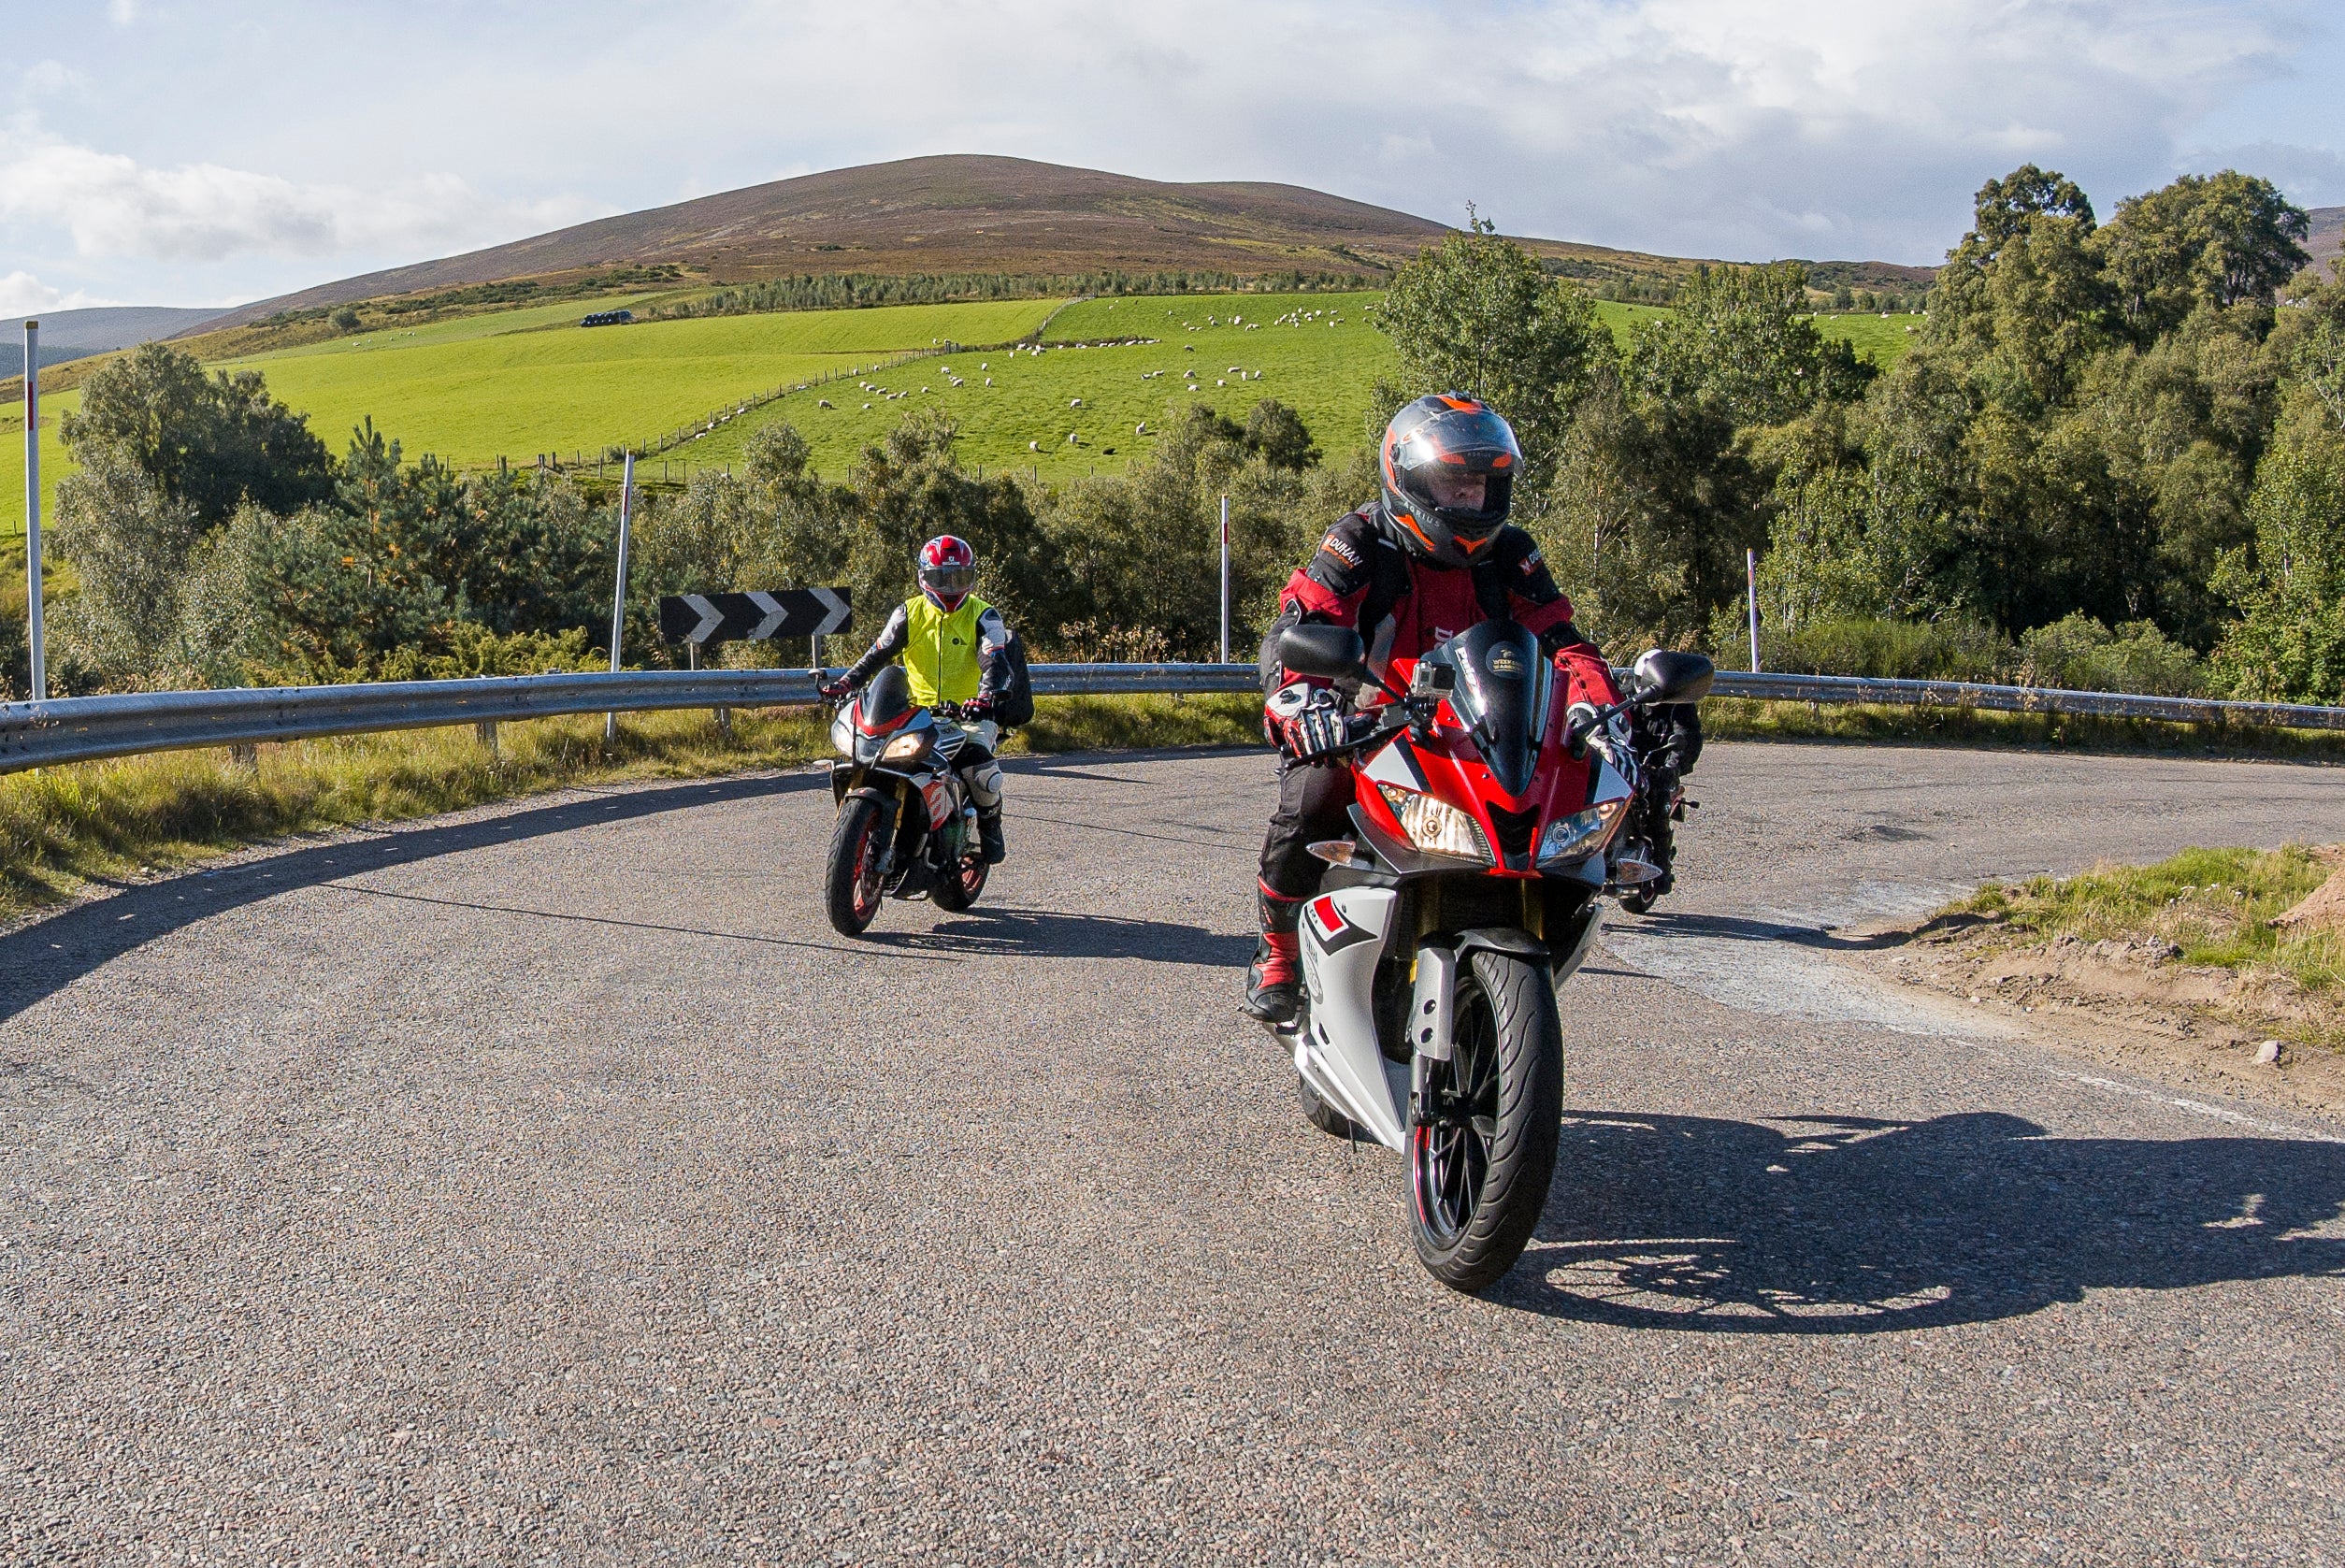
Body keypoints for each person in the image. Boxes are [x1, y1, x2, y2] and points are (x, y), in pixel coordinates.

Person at [1244, 393, 1670, 1024]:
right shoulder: (1359, 543)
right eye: (1454, 483)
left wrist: (1600, 714)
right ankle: (1276, 954)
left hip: (1483, 731)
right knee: (1310, 796)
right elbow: (1301, 625)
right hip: (1377, 726)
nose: (1469, 501)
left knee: (1572, 808)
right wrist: (1304, 703)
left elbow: (1565, 643)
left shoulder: (1511, 556)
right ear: (1408, 480)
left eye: (1482, 486)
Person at [822, 535, 1012, 865]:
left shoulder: (985, 616)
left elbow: (995, 660)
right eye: (942, 578)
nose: (951, 587)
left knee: (979, 767)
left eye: (959, 578)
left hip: (967, 715)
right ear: (924, 577)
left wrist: (985, 697)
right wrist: (845, 683)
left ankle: (990, 825)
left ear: (972, 577)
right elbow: (877, 654)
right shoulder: (907, 613)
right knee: (871, 752)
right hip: (914, 713)